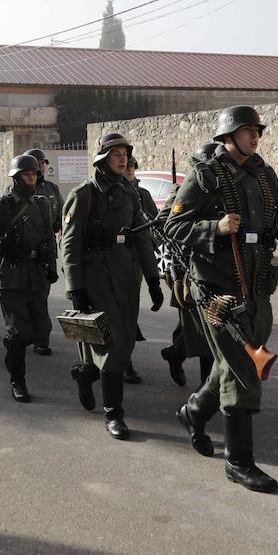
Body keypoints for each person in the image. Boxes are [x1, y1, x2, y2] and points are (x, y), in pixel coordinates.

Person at [163, 106, 278, 494]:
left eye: (256, 130)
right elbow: (173, 227)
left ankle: (193, 414)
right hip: (217, 289)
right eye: (247, 130)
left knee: (236, 364)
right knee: (245, 371)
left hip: (258, 286)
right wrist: (215, 227)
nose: (255, 136)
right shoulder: (205, 177)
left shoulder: (264, 175)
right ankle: (239, 462)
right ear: (228, 136)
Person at [62, 133, 165, 440]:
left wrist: (153, 280)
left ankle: (85, 374)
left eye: (125, 154)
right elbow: (69, 242)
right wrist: (74, 286)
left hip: (125, 278)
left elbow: (142, 239)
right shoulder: (85, 193)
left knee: (123, 344)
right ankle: (113, 413)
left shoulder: (130, 193)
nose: (122, 159)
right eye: (116, 154)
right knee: (113, 345)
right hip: (96, 280)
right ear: (102, 159)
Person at [0, 155, 57, 402]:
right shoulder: (1, 205)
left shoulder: (41, 204)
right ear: (16, 178)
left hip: (37, 273)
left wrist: (51, 264)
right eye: (26, 175)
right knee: (18, 332)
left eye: (33, 175)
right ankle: (17, 380)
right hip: (12, 275)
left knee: (40, 330)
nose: (31, 178)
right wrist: (2, 244)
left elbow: (49, 238)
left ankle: (14, 349)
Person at [159, 143, 221, 388]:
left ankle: (175, 353)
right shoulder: (185, 189)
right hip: (190, 268)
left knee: (201, 326)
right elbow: (165, 224)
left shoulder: (225, 189)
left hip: (220, 266)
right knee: (203, 329)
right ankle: (206, 387)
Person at [120, 155, 157, 385]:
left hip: (137, 259)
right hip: (112, 259)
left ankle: (125, 359)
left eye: (134, 165)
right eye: (128, 165)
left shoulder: (142, 195)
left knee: (129, 309)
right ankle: (115, 362)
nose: (131, 168)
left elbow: (155, 221)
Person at [27, 148, 64, 357]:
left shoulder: (51, 189)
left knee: (41, 297)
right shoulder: (15, 189)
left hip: (45, 252)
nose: (41, 167)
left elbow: (60, 216)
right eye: (38, 163)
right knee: (24, 297)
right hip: (22, 254)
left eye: (42, 164)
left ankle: (41, 340)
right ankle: (24, 334)